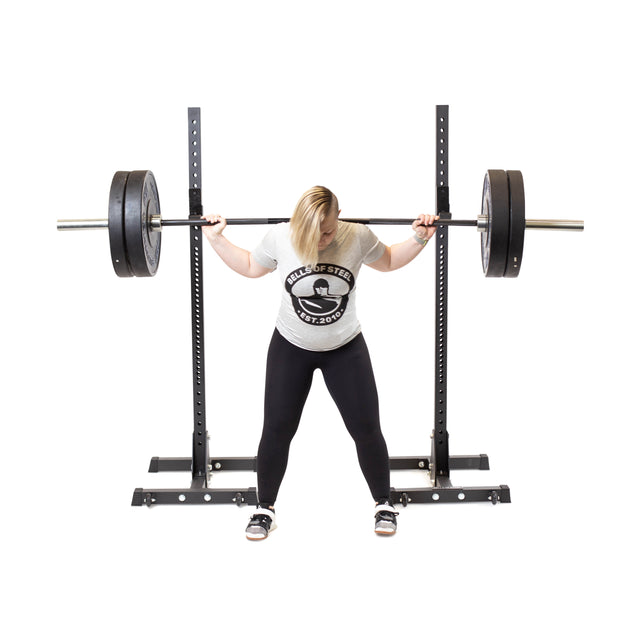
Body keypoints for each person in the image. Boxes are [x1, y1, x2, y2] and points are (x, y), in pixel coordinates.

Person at [202, 187, 437, 540]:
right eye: (315, 233)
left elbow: (387, 260)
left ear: (340, 215)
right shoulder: (281, 236)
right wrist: (216, 239)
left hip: (345, 347)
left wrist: (419, 238)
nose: (323, 239)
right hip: (290, 346)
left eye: (328, 230)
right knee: (277, 429)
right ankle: (264, 508)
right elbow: (251, 266)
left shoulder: (356, 235)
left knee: (366, 428)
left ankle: (383, 503)